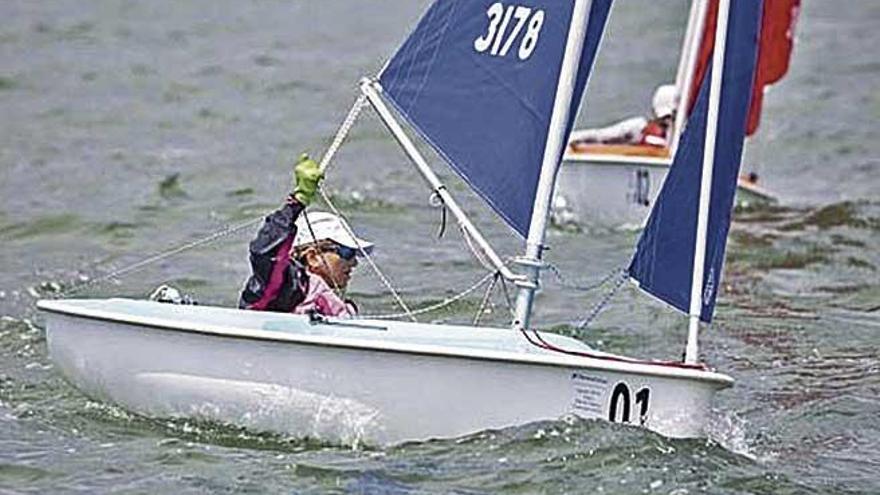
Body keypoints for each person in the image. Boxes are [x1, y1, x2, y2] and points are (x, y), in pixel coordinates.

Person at [238, 154, 373, 317]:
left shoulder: (335, 301)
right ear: (313, 257)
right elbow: (265, 252)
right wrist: (297, 202)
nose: (354, 263)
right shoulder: (286, 287)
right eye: (347, 253)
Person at [569, 84, 679, 149]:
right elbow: (600, 136)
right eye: (665, 117)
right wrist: (573, 139)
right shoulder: (638, 127)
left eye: (670, 117)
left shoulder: (680, 133)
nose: (667, 122)